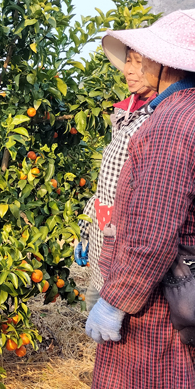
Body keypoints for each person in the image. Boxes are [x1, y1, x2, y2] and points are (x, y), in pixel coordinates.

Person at [84, 9, 195, 389]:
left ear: (170, 62)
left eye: (143, 56)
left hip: (164, 298)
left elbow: (151, 234)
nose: (131, 66)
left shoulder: (170, 126)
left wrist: (116, 301)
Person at [75, 47, 157, 311]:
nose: (129, 70)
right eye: (128, 62)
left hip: (127, 247)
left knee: (114, 323)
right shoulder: (128, 112)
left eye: (139, 63)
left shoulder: (156, 117)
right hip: (104, 238)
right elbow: (107, 186)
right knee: (95, 306)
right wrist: (85, 228)